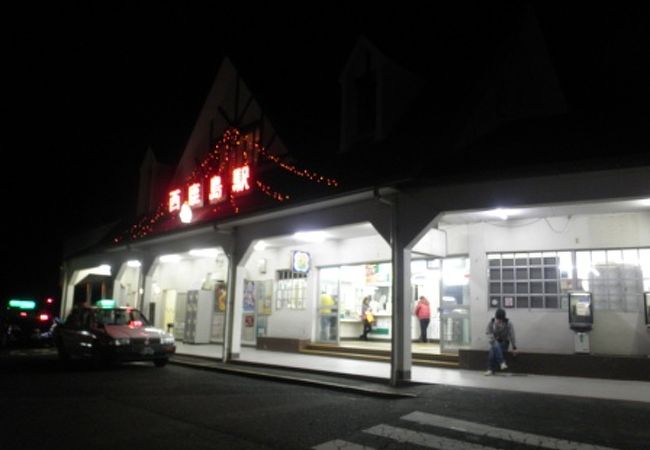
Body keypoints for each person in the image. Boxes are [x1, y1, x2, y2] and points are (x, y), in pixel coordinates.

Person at [484, 308, 517, 375]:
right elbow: (488, 332)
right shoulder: (492, 322)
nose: (499, 321)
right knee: (494, 346)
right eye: (498, 319)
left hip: (504, 343)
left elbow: (512, 335)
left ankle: (490, 369)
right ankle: (502, 362)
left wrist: (514, 347)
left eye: (501, 320)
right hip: (494, 341)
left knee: (493, 349)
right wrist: (493, 339)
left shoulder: (508, 323)